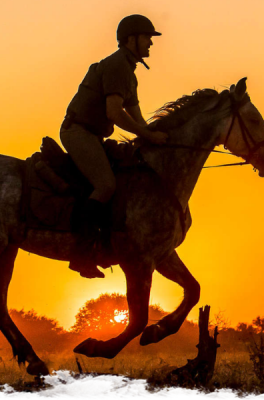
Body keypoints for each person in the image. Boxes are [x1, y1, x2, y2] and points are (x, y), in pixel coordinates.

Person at [60, 15, 169, 279]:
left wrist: (160, 136)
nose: (150, 44)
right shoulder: (118, 66)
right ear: (131, 40)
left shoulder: (129, 73)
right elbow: (114, 112)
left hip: (93, 135)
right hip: (78, 132)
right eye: (147, 38)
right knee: (106, 185)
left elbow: (138, 118)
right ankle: (81, 255)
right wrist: (148, 135)